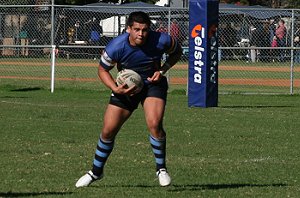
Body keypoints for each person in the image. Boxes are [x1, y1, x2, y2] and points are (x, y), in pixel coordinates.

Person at [75, 11, 182, 188]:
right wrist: (115, 88)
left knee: (154, 124)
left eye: (145, 30)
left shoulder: (161, 40)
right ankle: (95, 172)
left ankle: (161, 168)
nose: (141, 34)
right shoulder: (116, 46)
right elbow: (102, 70)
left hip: (152, 84)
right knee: (108, 130)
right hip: (125, 88)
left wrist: (162, 70)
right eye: (137, 29)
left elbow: (176, 52)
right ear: (128, 29)